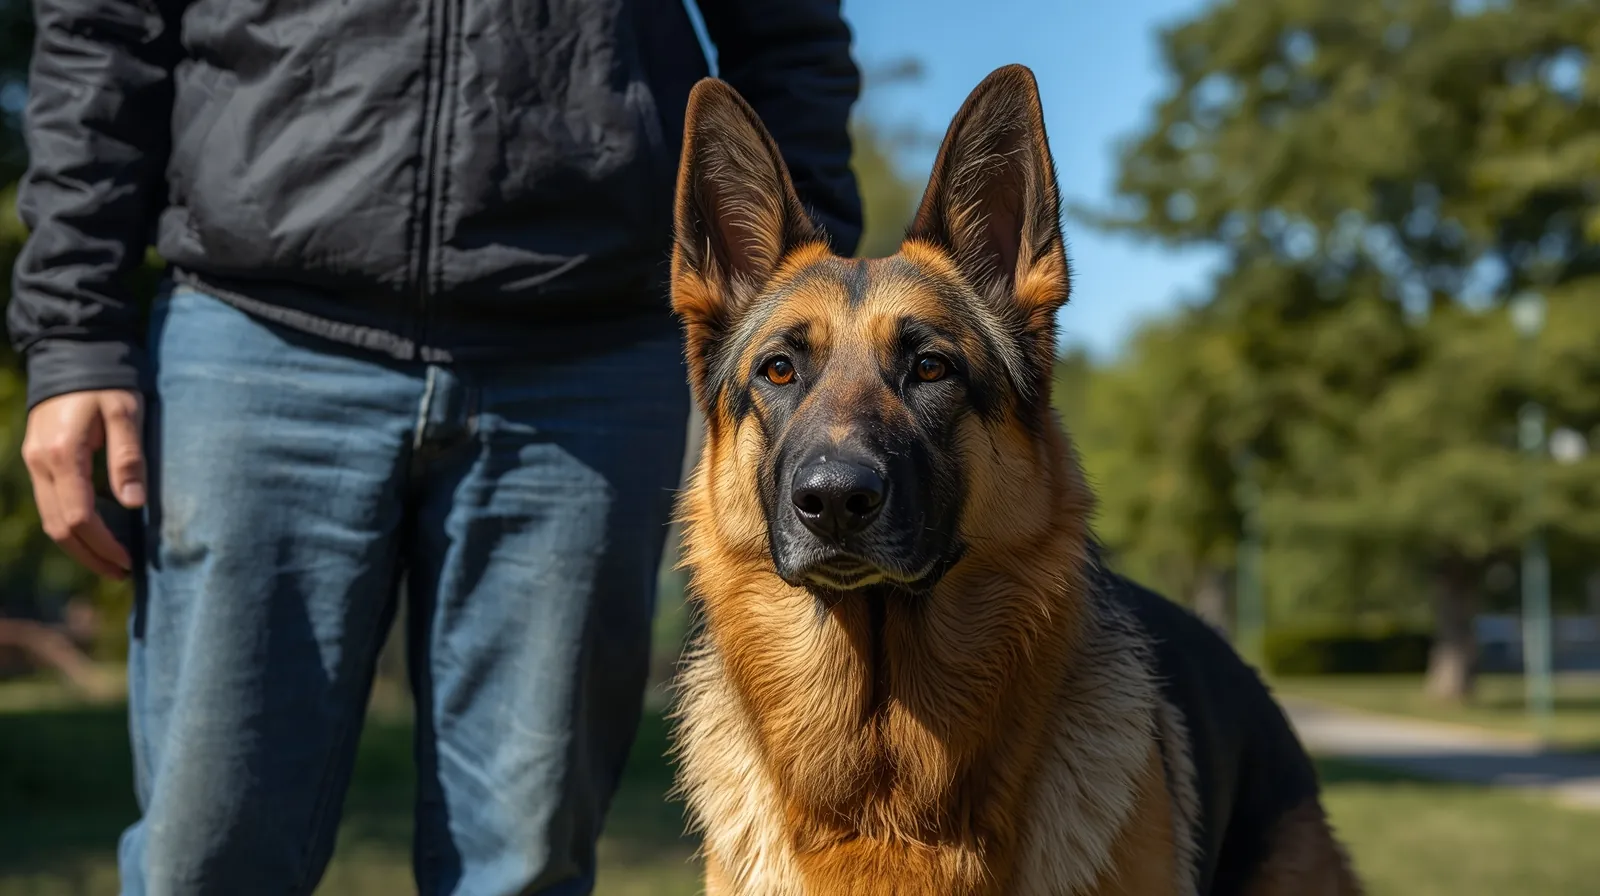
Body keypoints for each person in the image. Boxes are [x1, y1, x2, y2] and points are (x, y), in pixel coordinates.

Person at [8, 0, 862, 892]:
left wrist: (817, 327)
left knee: (523, 872)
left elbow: (790, 28)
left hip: (583, 348)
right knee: (203, 864)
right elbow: (103, 19)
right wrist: (73, 326)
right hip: (258, 320)